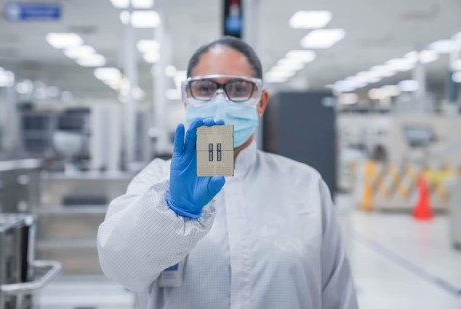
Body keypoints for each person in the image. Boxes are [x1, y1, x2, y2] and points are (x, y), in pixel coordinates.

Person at [97, 36, 358, 309]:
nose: (220, 100)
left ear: (260, 101)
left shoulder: (305, 185)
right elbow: (120, 269)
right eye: (206, 87)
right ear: (187, 98)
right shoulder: (155, 182)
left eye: (237, 88)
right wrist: (172, 210)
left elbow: (337, 295)